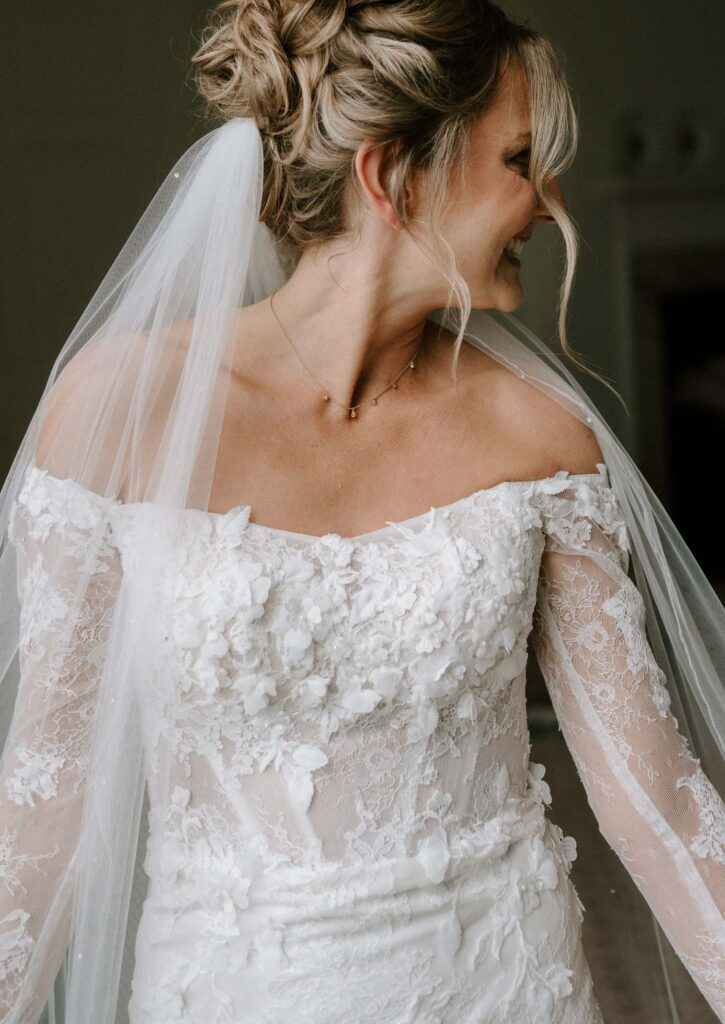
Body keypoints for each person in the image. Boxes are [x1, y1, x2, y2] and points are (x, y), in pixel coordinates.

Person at [0, 2, 723, 1022]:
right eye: (519, 159)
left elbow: (661, 804)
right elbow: (43, 817)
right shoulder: (121, 415)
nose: (551, 203)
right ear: (391, 177)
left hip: (503, 991)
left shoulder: (541, 443)